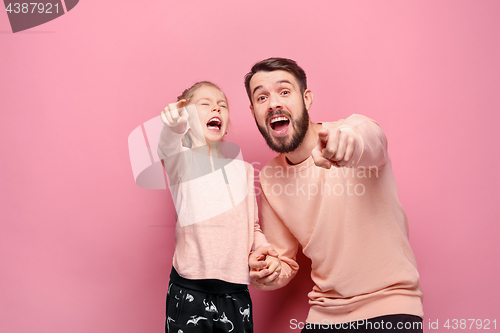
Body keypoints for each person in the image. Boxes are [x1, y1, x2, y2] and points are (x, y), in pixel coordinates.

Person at [245, 58, 424, 332]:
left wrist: (348, 143)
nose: (273, 104)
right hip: (325, 315)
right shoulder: (269, 177)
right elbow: (282, 260)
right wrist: (267, 272)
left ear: (306, 98)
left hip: (390, 306)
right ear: (254, 111)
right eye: (261, 97)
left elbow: (371, 140)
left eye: (284, 92)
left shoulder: (351, 131)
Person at [157, 81, 281, 333]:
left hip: (235, 294)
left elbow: (252, 225)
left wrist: (263, 248)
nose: (216, 108)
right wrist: (174, 127)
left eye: (222, 105)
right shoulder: (181, 161)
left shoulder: (244, 171)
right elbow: (167, 146)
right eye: (205, 104)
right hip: (189, 290)